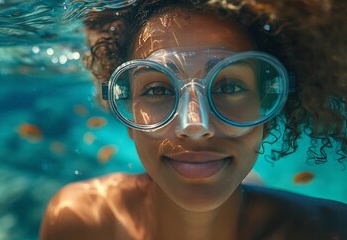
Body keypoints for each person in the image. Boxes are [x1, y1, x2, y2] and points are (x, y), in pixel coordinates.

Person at [40, 0, 347, 239]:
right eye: (158, 89)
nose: (195, 126)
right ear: (128, 114)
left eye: (229, 87)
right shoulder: (79, 222)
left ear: (267, 111)